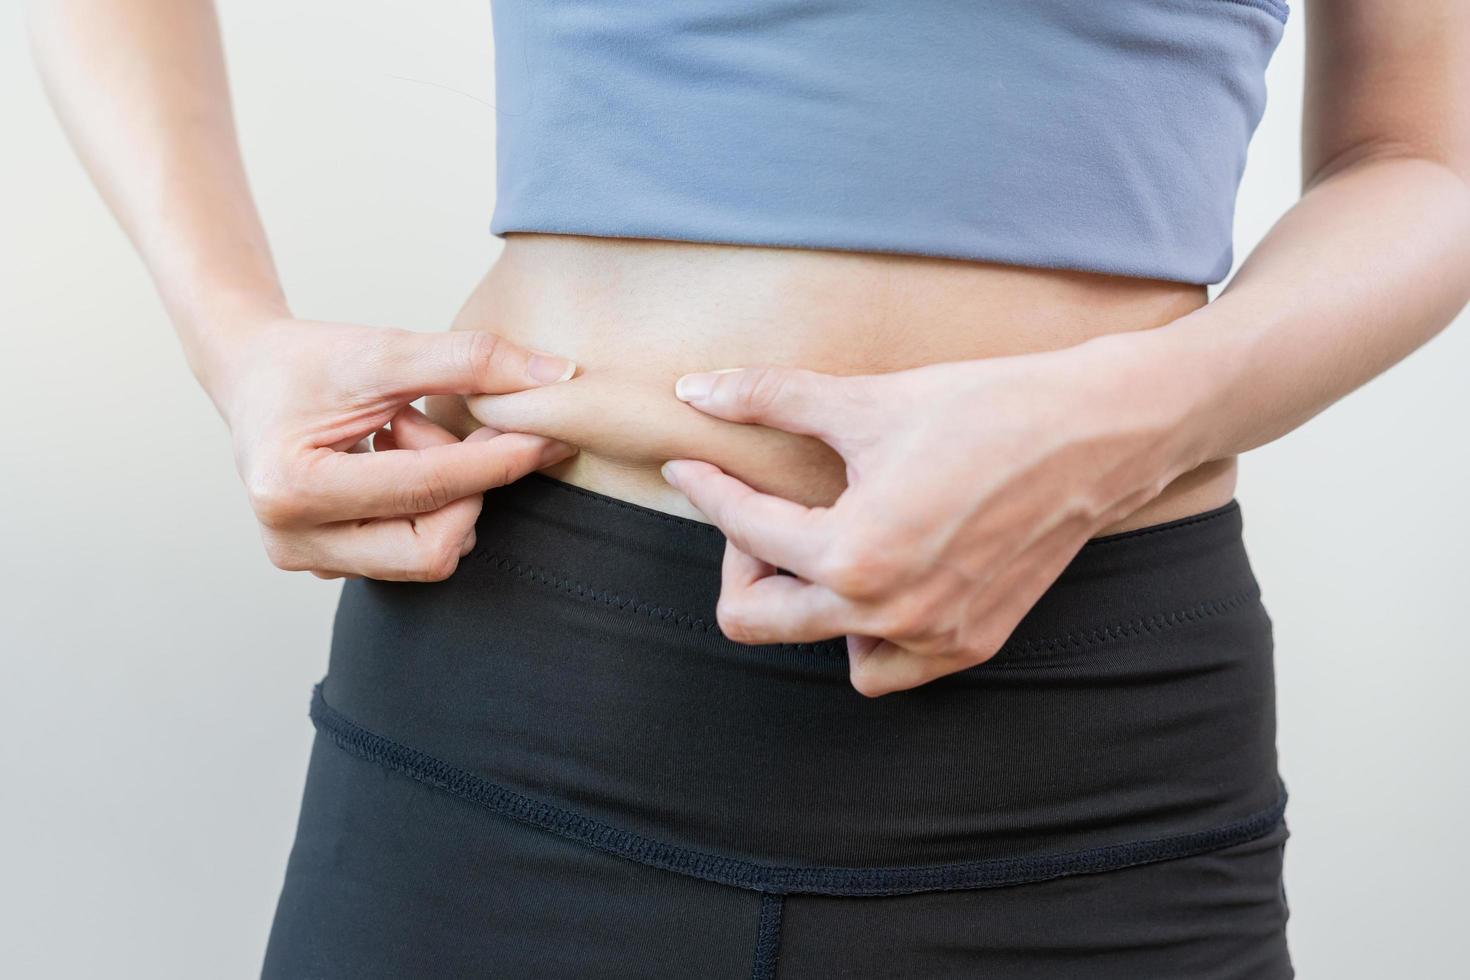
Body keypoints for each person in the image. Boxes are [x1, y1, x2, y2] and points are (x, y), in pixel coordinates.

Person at [30, 1, 1469, 976]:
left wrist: (1122, 419)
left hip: (1076, 747)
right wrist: (236, 341)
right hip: (520, 702)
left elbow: (1425, 153)